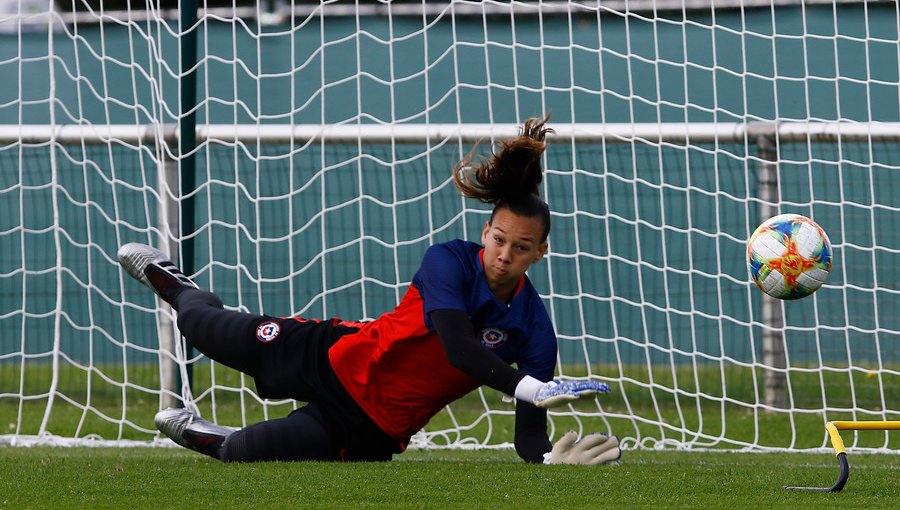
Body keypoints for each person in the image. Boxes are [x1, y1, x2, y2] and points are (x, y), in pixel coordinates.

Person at [118, 115, 620, 465]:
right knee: (200, 326)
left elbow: (529, 438)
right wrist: (533, 387)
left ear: (540, 253)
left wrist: (551, 458)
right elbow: (457, 346)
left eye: (521, 246)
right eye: (498, 239)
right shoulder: (448, 261)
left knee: (241, 453)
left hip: (370, 427)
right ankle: (179, 287)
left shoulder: (535, 330)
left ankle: (209, 432)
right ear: (485, 232)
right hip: (329, 354)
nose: (505, 254)